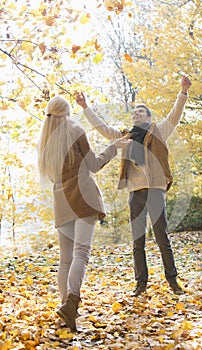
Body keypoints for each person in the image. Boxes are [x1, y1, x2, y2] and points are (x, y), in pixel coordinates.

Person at [75, 75, 192, 296]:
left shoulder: (158, 131)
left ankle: (173, 280)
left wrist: (183, 93)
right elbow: (102, 128)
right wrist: (85, 107)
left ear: (148, 116)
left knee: (162, 237)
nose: (136, 114)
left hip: (155, 191)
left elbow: (175, 116)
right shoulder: (126, 136)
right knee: (138, 241)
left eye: (140, 112)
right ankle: (141, 283)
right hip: (135, 193)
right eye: (134, 113)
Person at [37, 95, 131, 332]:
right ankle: (71, 304)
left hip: (61, 200)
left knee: (65, 259)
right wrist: (115, 147)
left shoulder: (45, 141)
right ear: (67, 113)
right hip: (83, 196)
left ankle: (64, 307)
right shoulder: (75, 131)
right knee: (81, 253)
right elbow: (94, 165)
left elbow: (51, 177)